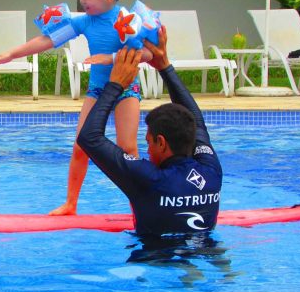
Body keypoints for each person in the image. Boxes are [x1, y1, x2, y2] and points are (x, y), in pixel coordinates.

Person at [0, 0, 150, 216]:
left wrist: (110, 58)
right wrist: (11, 54)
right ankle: (71, 204)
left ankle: (139, 206)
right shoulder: (84, 21)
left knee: (128, 149)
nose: (82, 1)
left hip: (126, 90)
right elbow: (48, 40)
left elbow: (149, 56)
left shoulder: (129, 21)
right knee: (80, 145)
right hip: (97, 90)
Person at [76, 26, 223, 238]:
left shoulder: (148, 179)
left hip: (155, 261)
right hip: (209, 250)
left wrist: (115, 84)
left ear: (161, 142)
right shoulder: (211, 171)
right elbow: (197, 122)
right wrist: (165, 67)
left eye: (149, 142)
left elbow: (89, 138)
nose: (148, 150)